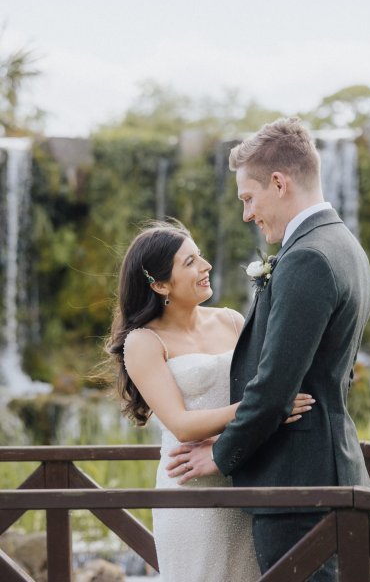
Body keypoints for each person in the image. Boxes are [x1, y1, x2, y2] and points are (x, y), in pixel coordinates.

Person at [167, 118, 370, 581]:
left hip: (298, 488)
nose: (246, 214)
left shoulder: (307, 258)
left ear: (278, 183)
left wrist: (220, 455)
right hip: (329, 474)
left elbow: (276, 386)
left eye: (248, 198)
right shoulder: (344, 245)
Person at [106, 220, 315, 582]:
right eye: (189, 263)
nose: (206, 267)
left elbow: (270, 383)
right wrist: (265, 407)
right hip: (190, 491)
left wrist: (267, 411)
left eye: (200, 256)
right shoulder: (143, 342)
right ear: (159, 285)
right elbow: (182, 425)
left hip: (242, 475)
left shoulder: (232, 321)